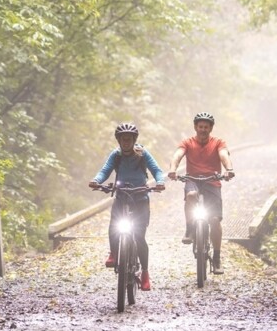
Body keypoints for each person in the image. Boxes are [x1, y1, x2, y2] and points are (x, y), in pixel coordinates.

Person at [88, 122, 166, 291]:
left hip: (140, 198)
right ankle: (114, 252)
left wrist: (160, 182)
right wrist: (96, 181)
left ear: (133, 139)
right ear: (118, 140)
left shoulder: (142, 154)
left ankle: (145, 273)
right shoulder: (116, 155)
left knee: (139, 236)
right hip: (122, 196)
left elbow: (157, 170)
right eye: (123, 139)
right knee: (114, 224)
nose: (126, 142)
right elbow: (105, 170)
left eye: (129, 139)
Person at [167, 112, 235, 274]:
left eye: (206, 127)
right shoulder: (188, 142)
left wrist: (229, 169)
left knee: (214, 220)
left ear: (211, 128)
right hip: (192, 179)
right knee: (190, 196)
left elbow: (223, 155)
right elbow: (177, 155)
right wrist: (173, 169)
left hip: (212, 180)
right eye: (200, 127)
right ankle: (190, 228)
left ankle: (217, 259)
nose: (203, 130)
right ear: (195, 127)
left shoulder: (218, 142)